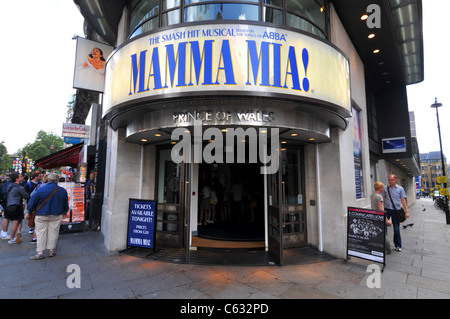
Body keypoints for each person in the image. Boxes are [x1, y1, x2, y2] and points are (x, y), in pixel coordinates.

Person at [26, 173, 69, 260]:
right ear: (57, 181)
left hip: (41, 214)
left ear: (48, 180)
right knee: (53, 231)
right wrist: (65, 211)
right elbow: (65, 203)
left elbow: (32, 202)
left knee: (40, 232)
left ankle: (40, 252)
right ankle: (51, 250)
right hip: (56, 214)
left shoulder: (40, 189)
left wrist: (29, 211)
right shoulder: (62, 191)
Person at [382, 174, 409, 252]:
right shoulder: (385, 188)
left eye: (392, 180)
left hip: (396, 211)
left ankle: (398, 245)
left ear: (395, 180)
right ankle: (385, 245)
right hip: (386, 210)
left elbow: (403, 200)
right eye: (389, 180)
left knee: (396, 228)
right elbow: (383, 198)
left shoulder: (400, 189)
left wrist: (407, 211)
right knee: (384, 228)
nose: (390, 181)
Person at [4, 172, 29, 244]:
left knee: (17, 221)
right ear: (17, 179)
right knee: (16, 222)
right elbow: (26, 196)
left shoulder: (10, 186)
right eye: (21, 176)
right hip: (16, 206)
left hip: (9, 205)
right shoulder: (19, 188)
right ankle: (12, 238)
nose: (22, 177)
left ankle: (17, 235)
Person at [371, 181, 392, 254]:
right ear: (380, 188)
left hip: (374, 217)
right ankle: (388, 249)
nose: (383, 188)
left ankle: (378, 247)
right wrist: (386, 220)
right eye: (382, 187)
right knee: (384, 234)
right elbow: (381, 209)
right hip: (380, 217)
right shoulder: (379, 197)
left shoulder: (372, 195)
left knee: (377, 233)